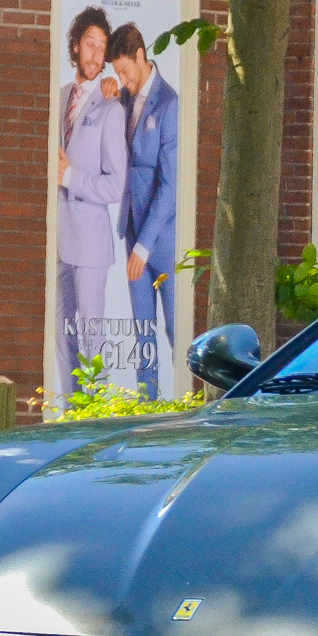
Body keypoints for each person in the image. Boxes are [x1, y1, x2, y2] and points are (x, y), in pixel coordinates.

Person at [57, 8, 130, 386]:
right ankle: (69, 416)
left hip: (90, 244)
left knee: (91, 340)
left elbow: (115, 186)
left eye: (102, 48)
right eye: (90, 44)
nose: (96, 55)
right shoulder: (56, 99)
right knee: (60, 340)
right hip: (56, 240)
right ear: (75, 46)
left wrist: (70, 176)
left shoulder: (111, 109)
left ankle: (94, 417)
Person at [111, 22, 181, 387]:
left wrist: (143, 246)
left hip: (163, 243)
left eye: (124, 70)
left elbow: (170, 186)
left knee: (174, 331)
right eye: (116, 73)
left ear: (141, 57)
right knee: (143, 337)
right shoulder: (122, 97)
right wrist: (108, 91)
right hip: (133, 232)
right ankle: (145, 412)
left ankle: (192, 409)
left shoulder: (169, 104)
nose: (122, 79)